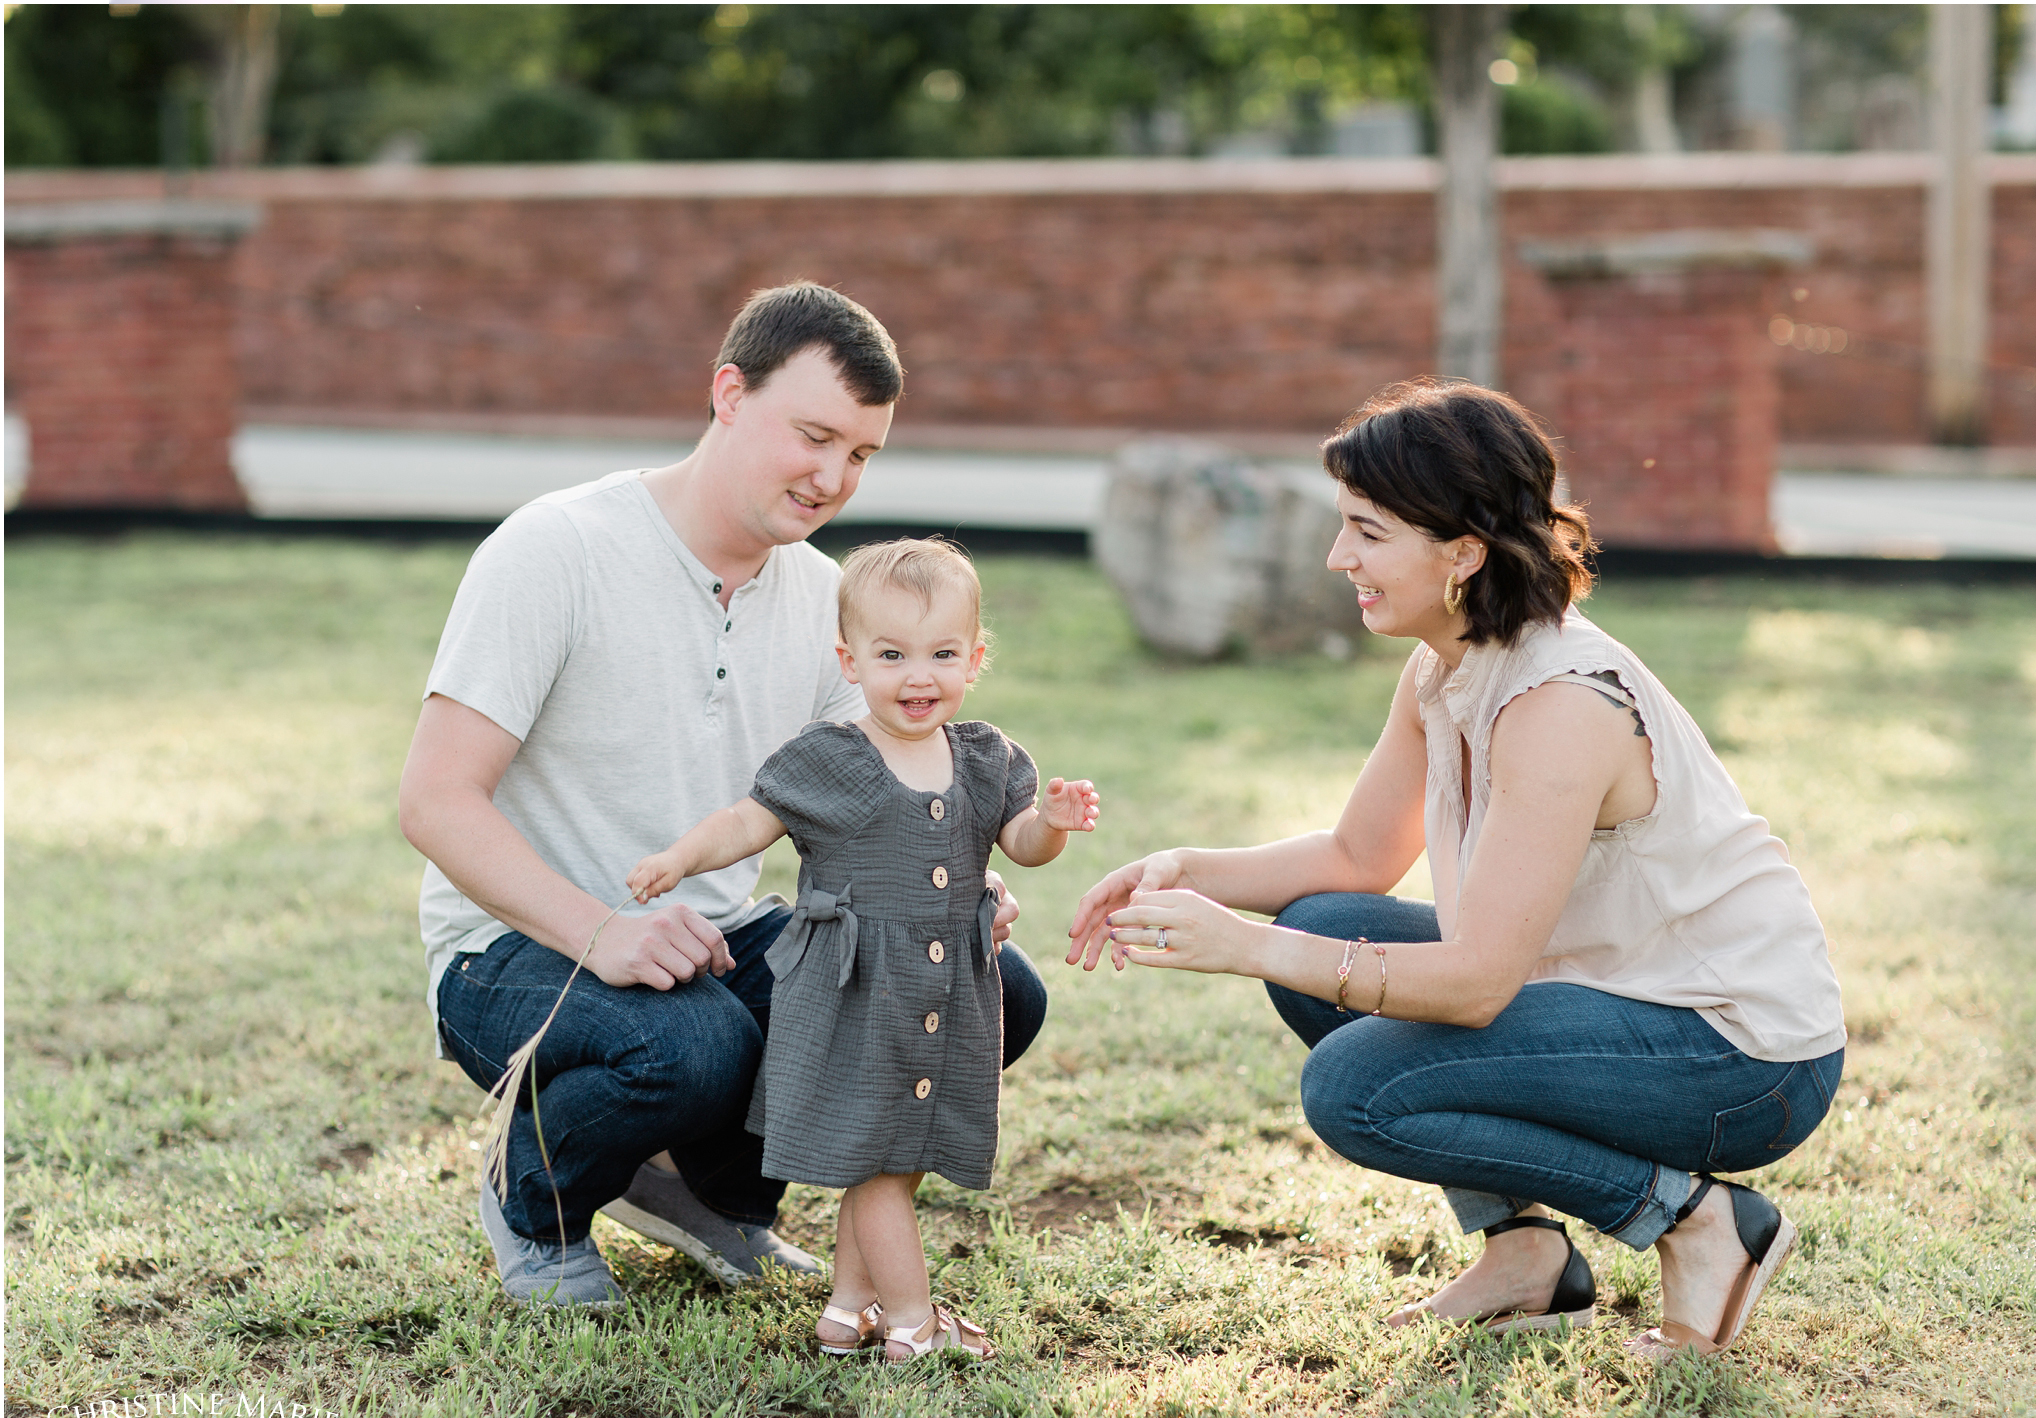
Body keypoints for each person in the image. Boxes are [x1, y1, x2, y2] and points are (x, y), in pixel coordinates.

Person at [1067, 378, 1845, 1362]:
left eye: (1364, 531)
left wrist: (1245, 944)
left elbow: (1476, 983)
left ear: (1461, 551)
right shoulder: (1446, 660)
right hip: (1610, 1001)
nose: (1335, 556)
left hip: (1738, 1055)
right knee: (1327, 913)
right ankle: (1523, 1255)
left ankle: (1694, 1221)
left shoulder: (1559, 703)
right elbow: (1357, 857)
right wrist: (1184, 868)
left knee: (1352, 1086)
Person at [397, 282, 1051, 1306]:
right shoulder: (556, 548)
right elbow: (433, 803)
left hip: (717, 931)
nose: (833, 476)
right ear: (728, 394)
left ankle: (707, 1196)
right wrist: (601, 930)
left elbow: (878, 804)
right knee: (692, 1043)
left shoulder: (831, 605)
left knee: (990, 990)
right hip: (512, 948)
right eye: (813, 435)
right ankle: (535, 1199)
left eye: (861, 454)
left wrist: (946, 889)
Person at [627, 538, 1098, 1358]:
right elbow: (748, 820)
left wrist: (1051, 823)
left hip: (946, 992)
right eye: (892, 655)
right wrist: (679, 858)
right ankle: (914, 1324)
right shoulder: (833, 758)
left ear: (974, 658)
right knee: (878, 1163)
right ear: (850, 661)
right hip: (857, 991)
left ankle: (847, 1311)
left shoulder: (985, 758)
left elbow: (1018, 843)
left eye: (942, 654)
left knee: (897, 1154)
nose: (919, 676)